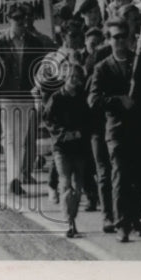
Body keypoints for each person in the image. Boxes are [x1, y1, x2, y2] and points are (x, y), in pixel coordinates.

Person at [88, 19, 141, 241]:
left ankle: (135, 216)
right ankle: (121, 222)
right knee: (120, 175)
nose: (120, 40)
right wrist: (118, 100)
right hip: (117, 130)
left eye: (124, 36)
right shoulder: (102, 67)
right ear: (109, 39)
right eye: (115, 36)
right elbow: (93, 100)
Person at [0, 3, 55, 195]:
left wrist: (40, 93)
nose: (21, 21)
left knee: (22, 137)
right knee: (11, 138)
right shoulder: (0, 42)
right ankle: (13, 179)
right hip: (7, 96)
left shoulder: (35, 42)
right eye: (17, 18)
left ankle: (15, 176)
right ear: (9, 19)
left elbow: (40, 70)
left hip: (27, 95)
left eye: (24, 18)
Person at [43, 61, 93, 238]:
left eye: (77, 77)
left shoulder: (82, 97)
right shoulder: (56, 98)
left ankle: (72, 215)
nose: (74, 80)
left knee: (78, 187)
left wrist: (80, 133)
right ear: (65, 77)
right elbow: (48, 120)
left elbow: (89, 120)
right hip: (62, 147)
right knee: (65, 183)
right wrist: (63, 133)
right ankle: (69, 222)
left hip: (79, 147)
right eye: (71, 76)